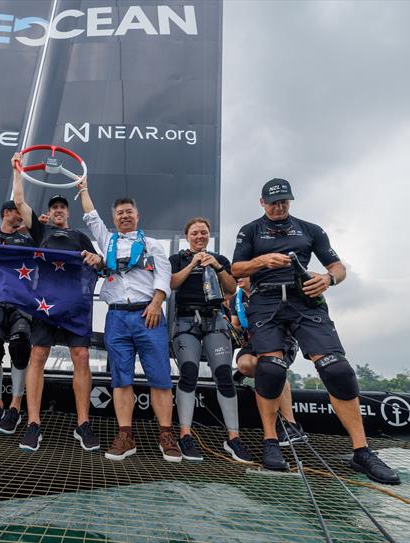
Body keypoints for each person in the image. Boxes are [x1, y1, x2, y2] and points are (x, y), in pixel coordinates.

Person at [231, 178, 400, 484]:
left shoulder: (311, 229)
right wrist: (261, 261)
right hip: (266, 301)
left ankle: (362, 452)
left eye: (284, 201)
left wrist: (328, 279)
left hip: (305, 300)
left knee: (338, 370)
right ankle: (271, 442)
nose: (279, 206)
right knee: (270, 368)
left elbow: (338, 267)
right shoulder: (250, 230)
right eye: (273, 202)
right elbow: (236, 269)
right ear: (262, 203)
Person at [77, 177, 182, 463]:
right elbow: (90, 217)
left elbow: (163, 276)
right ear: (114, 218)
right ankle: (125, 435)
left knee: (160, 378)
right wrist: (83, 189)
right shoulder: (107, 241)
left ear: (137, 215)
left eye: (129, 212)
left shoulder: (152, 245)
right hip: (117, 317)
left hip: (148, 314)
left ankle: (165, 435)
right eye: (119, 213)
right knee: (120, 379)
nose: (124, 216)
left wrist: (156, 303)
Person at [11, 153, 102, 452]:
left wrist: (96, 258)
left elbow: (100, 263)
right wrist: (17, 172)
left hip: (75, 306)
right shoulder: (42, 230)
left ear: (68, 212)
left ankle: (83, 424)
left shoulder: (80, 236)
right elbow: (20, 203)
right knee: (38, 356)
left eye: (63, 207)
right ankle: (33, 423)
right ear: (49, 213)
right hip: (46, 305)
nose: (59, 210)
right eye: (54, 207)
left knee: (81, 358)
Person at [169, 218, 255, 463]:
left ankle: (233, 438)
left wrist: (217, 266)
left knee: (224, 375)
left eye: (203, 233)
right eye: (195, 233)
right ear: (187, 236)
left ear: (208, 236)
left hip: (215, 319)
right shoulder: (178, 259)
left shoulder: (221, 260)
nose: (199, 237)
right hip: (186, 320)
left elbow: (230, 290)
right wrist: (193, 263)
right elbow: (171, 283)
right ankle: (185, 435)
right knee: (188, 372)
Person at [0, 200, 35, 435]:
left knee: (20, 348)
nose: (22, 215)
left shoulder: (30, 239)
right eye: (18, 211)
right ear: (6, 213)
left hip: (21, 301)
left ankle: (15, 406)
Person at [231, 277, 307, 447]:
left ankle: (291, 426)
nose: (239, 279)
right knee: (245, 364)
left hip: (280, 340)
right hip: (254, 343)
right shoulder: (235, 300)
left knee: (272, 366)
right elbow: (235, 324)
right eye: (237, 276)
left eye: (245, 275)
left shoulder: (271, 292)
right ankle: (264, 377)